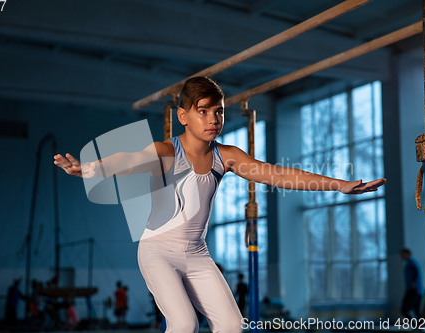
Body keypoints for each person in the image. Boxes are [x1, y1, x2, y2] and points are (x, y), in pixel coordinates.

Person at [54, 76, 386, 333]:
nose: (213, 119)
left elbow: (277, 175)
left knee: (231, 325)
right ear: (183, 116)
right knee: (184, 325)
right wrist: (89, 169)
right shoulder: (167, 152)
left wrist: (340, 185)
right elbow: (129, 159)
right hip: (157, 250)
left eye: (219, 112)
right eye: (203, 111)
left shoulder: (225, 156)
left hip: (197, 255)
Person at [400, 248, 423, 319]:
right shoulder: (409, 263)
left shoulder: (411, 263)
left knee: (404, 310)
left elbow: (415, 271)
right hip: (416, 290)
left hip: (414, 290)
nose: (402, 257)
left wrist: (413, 283)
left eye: (403, 254)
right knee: (415, 311)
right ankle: (418, 327)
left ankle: (416, 326)